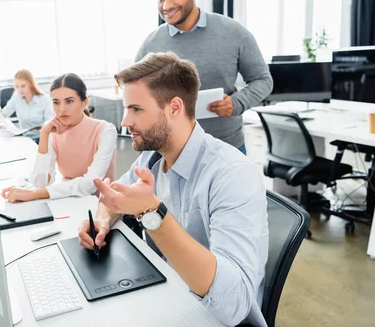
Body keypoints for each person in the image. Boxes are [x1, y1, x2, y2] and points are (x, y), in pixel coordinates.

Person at [77, 52, 268, 327]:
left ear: (175, 108)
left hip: (212, 316)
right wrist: (102, 222)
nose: (125, 122)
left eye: (136, 109)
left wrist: (151, 213)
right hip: (167, 294)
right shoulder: (153, 157)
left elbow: (232, 305)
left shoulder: (232, 174)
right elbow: (114, 196)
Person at [134, 0, 273, 153]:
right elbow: (137, 96)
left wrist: (236, 103)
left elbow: (263, 80)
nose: (167, 5)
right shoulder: (150, 45)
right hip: (171, 151)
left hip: (226, 148)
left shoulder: (233, 32)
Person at [2, 73, 117, 203]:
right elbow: (41, 182)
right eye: (56, 102)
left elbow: (90, 184)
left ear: (84, 102)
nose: (62, 109)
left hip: (99, 205)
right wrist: (44, 135)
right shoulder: (52, 131)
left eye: (69, 101)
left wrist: (35, 193)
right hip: (68, 200)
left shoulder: (105, 131)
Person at [0, 69, 54, 138]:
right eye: (17, 86)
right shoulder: (16, 96)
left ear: (31, 85)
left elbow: (50, 122)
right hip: (24, 138)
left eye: (23, 86)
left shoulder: (45, 99)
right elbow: (5, 113)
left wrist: (44, 126)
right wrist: (0, 115)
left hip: (41, 138)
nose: (20, 90)